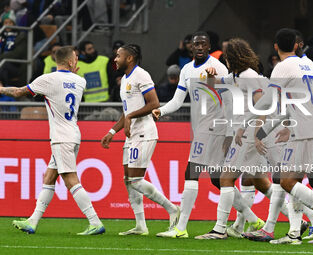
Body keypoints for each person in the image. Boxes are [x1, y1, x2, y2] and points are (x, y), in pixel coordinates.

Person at [153, 32, 263, 239]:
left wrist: (230, 130)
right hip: (202, 127)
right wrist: (161, 110)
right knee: (217, 179)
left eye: (204, 44)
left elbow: (230, 98)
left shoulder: (218, 66)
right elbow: (178, 101)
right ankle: (254, 219)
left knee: (191, 173)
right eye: (196, 44)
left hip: (214, 128)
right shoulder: (186, 69)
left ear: (209, 46)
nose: (200, 47)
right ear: (191, 48)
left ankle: (180, 228)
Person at [237, 28, 313, 244]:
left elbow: (267, 101)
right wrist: (275, 128)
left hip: (303, 130)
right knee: (309, 179)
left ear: (275, 47)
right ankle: (296, 233)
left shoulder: (282, 67)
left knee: (287, 181)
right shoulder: (308, 63)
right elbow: (295, 102)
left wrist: (245, 123)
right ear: (296, 45)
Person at [0, 46, 105, 235]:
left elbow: (17, 92)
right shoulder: (80, 81)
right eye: (76, 58)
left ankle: (95, 221)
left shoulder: (48, 79)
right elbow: (70, 82)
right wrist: (72, 72)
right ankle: (32, 222)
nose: (77, 61)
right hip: (72, 133)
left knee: (70, 179)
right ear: (71, 62)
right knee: (49, 177)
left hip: (61, 137)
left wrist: (1, 89)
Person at [101, 44, 180, 235]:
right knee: (128, 180)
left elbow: (154, 103)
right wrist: (112, 131)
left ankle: (173, 209)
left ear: (129, 58)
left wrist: (130, 117)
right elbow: (127, 111)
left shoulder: (141, 75)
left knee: (136, 180)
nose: (115, 59)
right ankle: (140, 225)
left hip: (144, 133)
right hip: (131, 135)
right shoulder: (126, 79)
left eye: (118, 56)